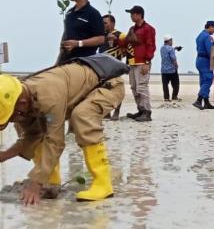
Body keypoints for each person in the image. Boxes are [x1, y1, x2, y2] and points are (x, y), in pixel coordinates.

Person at [0, 58, 126, 205]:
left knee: (82, 116)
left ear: (22, 103)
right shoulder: (22, 98)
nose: (14, 120)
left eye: (12, 116)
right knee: (31, 126)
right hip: (80, 91)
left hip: (108, 85)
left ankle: (103, 183)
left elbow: (56, 142)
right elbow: (33, 135)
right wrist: (4, 155)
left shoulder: (48, 96)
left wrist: (35, 183)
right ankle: (51, 181)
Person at [119, 5, 157, 122]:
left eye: (133, 14)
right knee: (134, 87)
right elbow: (126, 42)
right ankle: (141, 110)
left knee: (142, 86)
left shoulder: (148, 29)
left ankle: (147, 111)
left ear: (139, 15)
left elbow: (151, 46)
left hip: (142, 62)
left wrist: (147, 62)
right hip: (132, 61)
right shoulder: (132, 29)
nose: (131, 16)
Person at [57, 0, 105, 65]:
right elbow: (66, 35)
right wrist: (58, 61)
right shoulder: (69, 13)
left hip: (84, 62)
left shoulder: (93, 13)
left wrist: (78, 43)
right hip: (67, 61)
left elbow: (101, 39)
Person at [99, 14, 125, 120]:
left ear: (113, 23)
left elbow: (127, 47)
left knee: (117, 89)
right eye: (102, 23)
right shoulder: (101, 35)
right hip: (103, 67)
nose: (104, 25)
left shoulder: (120, 34)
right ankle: (107, 112)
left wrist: (116, 40)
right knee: (105, 89)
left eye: (106, 23)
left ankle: (117, 111)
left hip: (115, 67)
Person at [194, 21, 214, 110]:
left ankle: (206, 102)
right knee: (208, 80)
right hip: (205, 61)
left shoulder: (200, 35)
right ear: (210, 27)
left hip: (199, 60)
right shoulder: (208, 37)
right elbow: (210, 51)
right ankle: (198, 100)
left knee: (203, 81)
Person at [160, 35, 180, 101]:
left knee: (165, 85)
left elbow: (167, 51)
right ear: (169, 41)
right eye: (171, 40)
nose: (172, 42)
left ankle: (166, 98)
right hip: (172, 69)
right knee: (176, 84)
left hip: (164, 70)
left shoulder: (162, 48)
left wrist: (175, 48)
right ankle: (174, 96)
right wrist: (176, 65)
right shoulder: (171, 48)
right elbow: (173, 58)